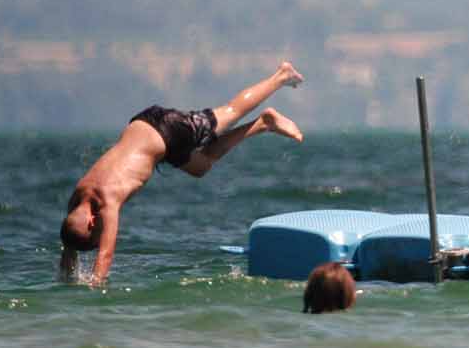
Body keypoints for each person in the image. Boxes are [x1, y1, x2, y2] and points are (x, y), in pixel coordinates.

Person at [59, 61, 305, 285]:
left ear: (93, 222)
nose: (101, 231)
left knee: (230, 112)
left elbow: (106, 254)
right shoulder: (78, 197)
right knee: (201, 166)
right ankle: (263, 123)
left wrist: (95, 287)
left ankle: (281, 76)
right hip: (147, 129)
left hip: (170, 130)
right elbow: (69, 242)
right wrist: (65, 281)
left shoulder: (107, 202)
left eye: (97, 233)